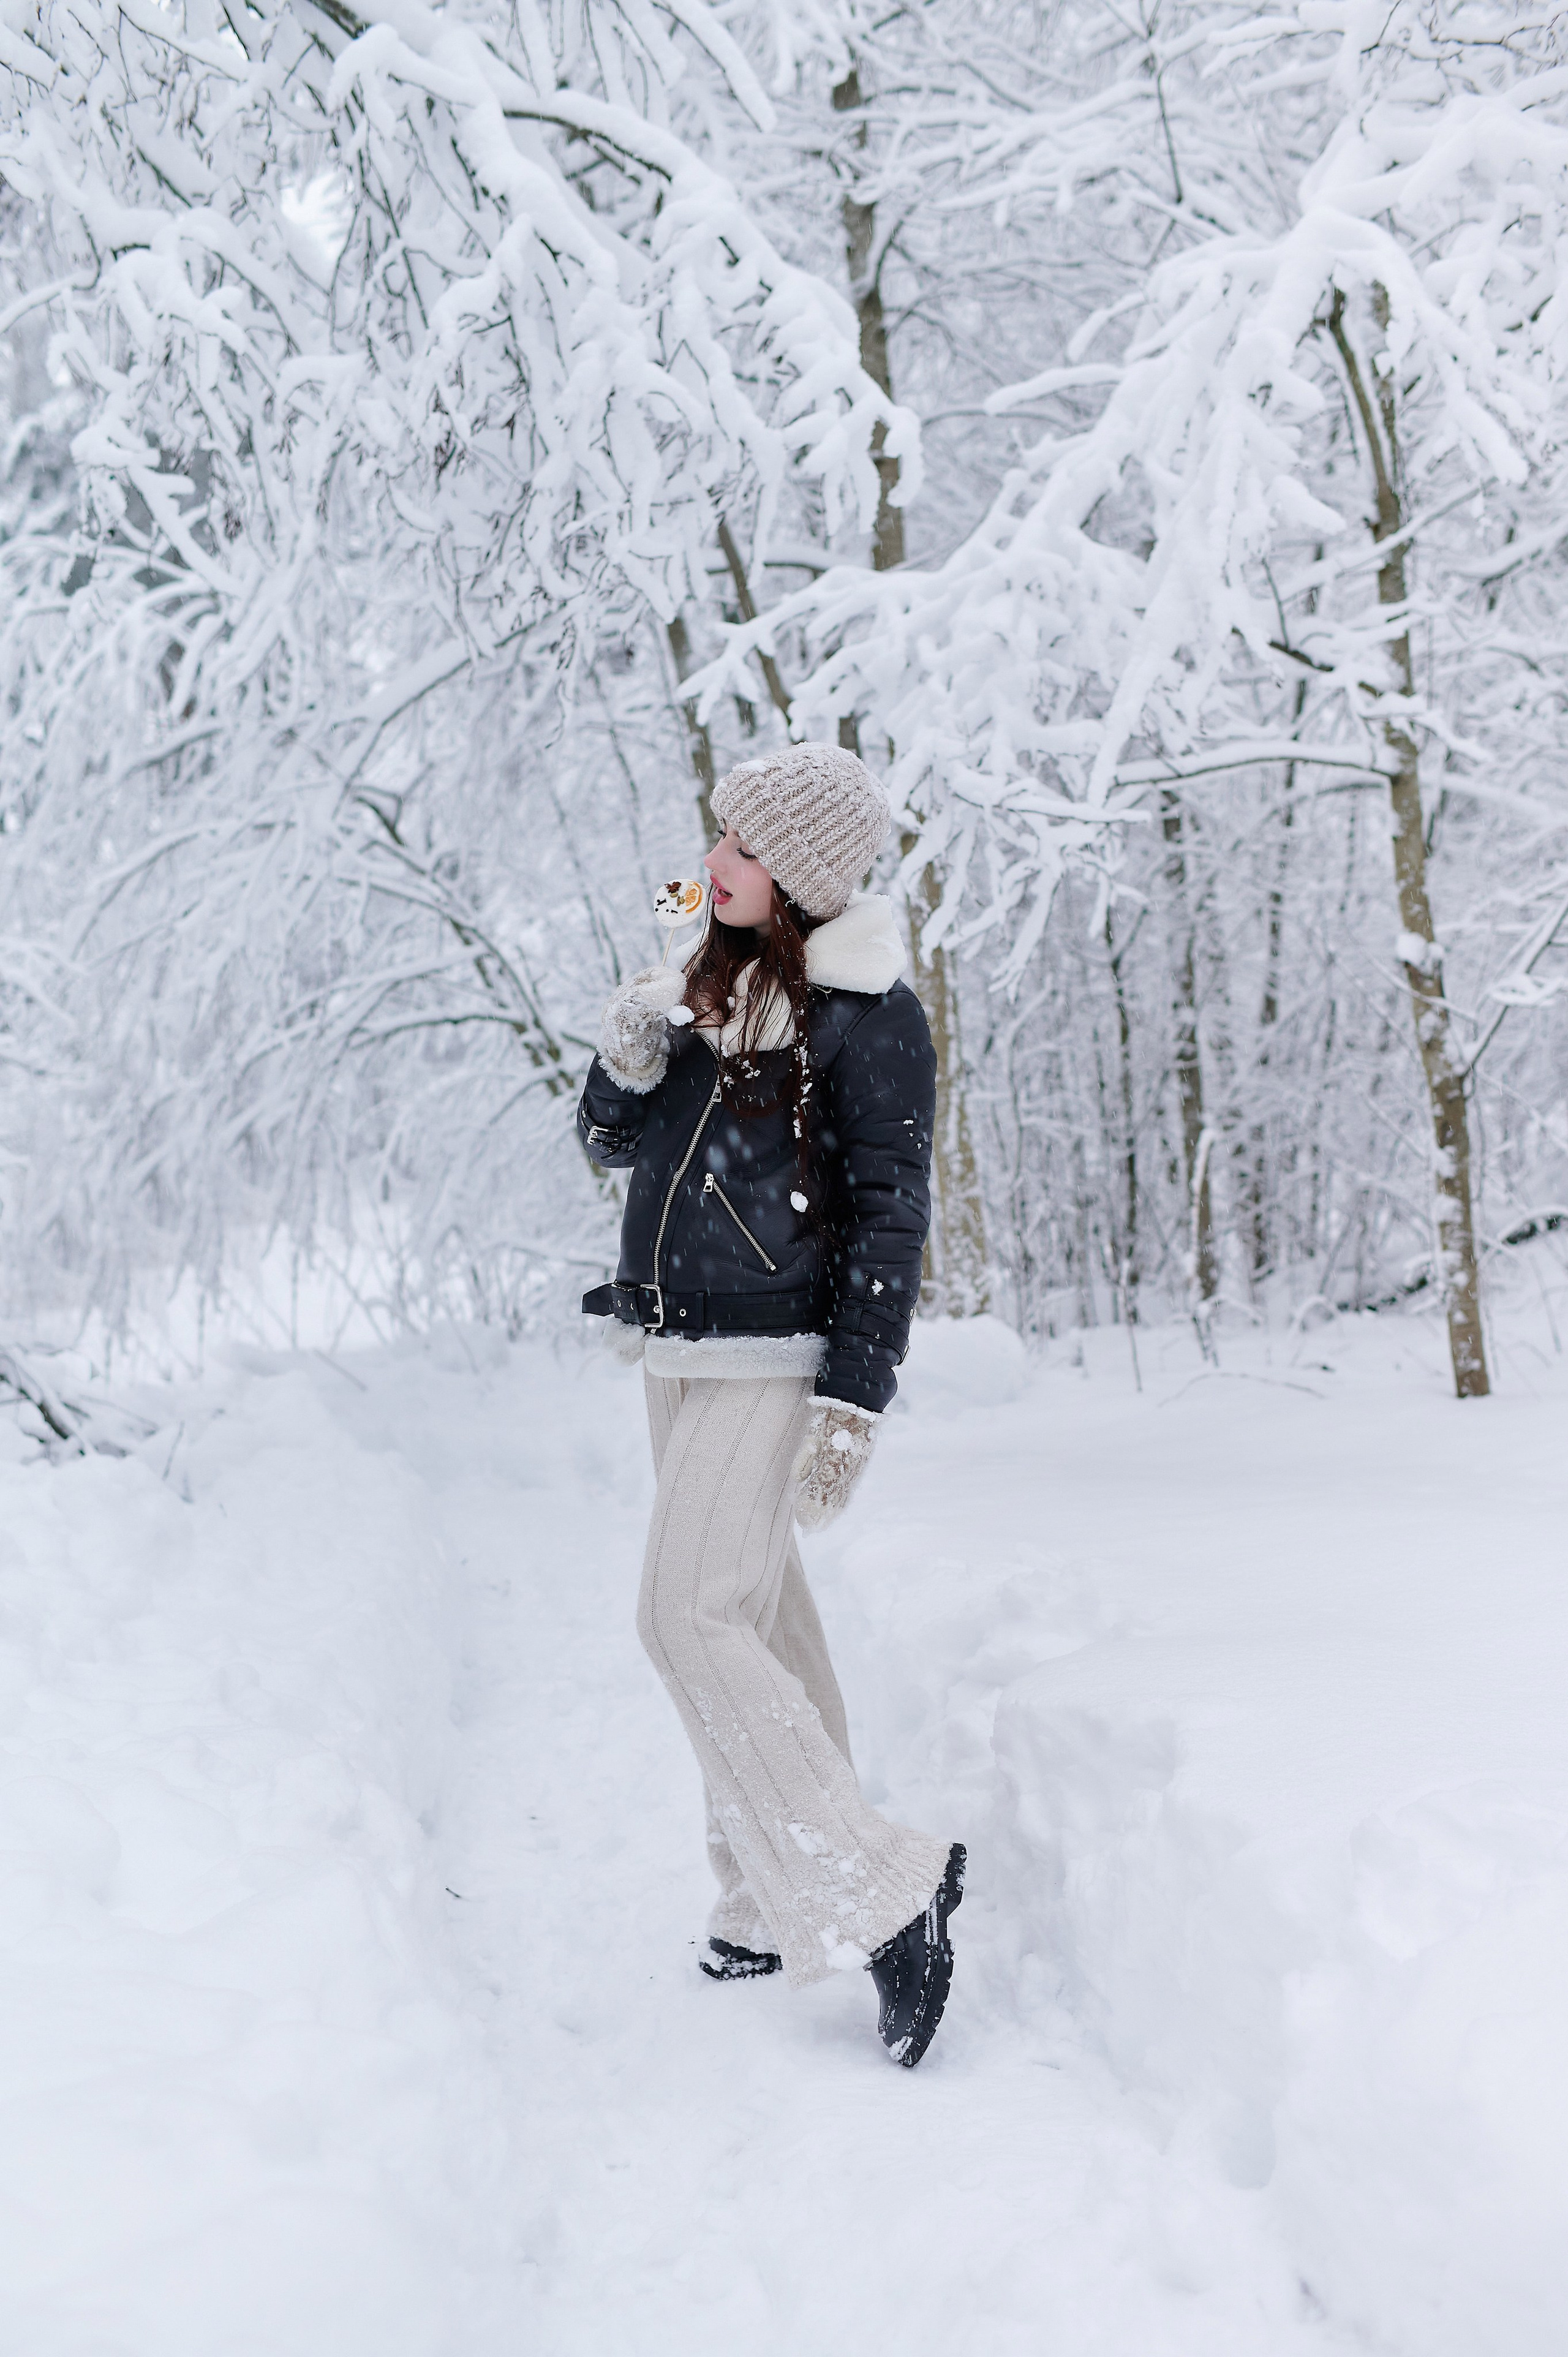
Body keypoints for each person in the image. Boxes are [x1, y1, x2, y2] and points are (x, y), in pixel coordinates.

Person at [576, 743, 965, 2067]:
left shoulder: (868, 1015)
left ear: (794, 876)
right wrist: (626, 1052)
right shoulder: (702, 980)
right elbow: (608, 1147)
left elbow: (891, 1220)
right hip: (678, 1345)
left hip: (774, 1352)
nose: (711, 861)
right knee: (751, 1614)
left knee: (679, 1612)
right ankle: (757, 1890)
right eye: (714, 835)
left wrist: (853, 1397)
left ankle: (882, 1886)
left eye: (738, 845)